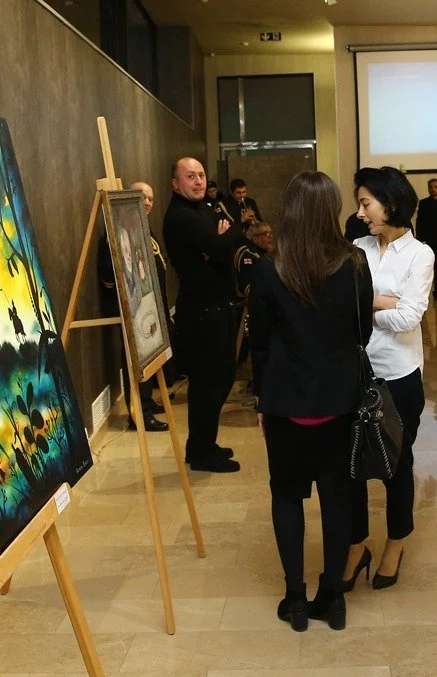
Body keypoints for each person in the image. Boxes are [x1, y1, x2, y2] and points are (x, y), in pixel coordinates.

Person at [250, 170, 372, 633]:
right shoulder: (355, 263)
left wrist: (263, 399)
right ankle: (333, 599)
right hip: (340, 402)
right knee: (338, 500)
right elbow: (363, 332)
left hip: (286, 404)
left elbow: (259, 343)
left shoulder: (269, 268)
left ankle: (295, 600)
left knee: (287, 497)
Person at [342, 165, 434, 593]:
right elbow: (343, 308)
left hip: (400, 378)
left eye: (366, 203)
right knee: (352, 466)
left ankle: (395, 543)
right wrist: (381, 302)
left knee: (398, 463)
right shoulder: (356, 249)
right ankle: (355, 543)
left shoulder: (421, 255)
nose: (361, 213)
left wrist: (366, 304)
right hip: (356, 371)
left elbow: (410, 316)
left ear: (390, 204)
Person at [164, 157, 247, 472]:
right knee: (206, 385)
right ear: (175, 183)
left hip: (218, 308)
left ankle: (205, 443)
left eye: (200, 175)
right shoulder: (181, 217)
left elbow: (234, 235)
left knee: (222, 379)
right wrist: (220, 242)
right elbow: (226, 247)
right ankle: (199, 452)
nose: (198, 181)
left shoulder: (204, 209)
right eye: (189, 176)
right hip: (201, 313)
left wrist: (220, 241)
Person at [97, 181, 173, 432]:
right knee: (136, 363)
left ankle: (148, 401)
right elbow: (111, 277)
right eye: (142, 197)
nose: (148, 202)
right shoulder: (117, 232)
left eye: (151, 198)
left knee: (150, 359)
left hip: (150, 307)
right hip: (132, 311)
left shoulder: (144, 228)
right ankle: (141, 414)